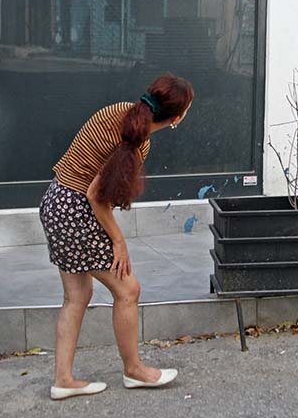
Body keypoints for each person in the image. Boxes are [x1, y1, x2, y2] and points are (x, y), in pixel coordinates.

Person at [40, 74, 194, 400]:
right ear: (176, 118)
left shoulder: (120, 111)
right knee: (128, 289)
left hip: (56, 199)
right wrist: (118, 242)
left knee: (77, 294)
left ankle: (63, 380)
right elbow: (97, 196)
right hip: (75, 208)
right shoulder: (138, 143)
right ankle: (134, 370)